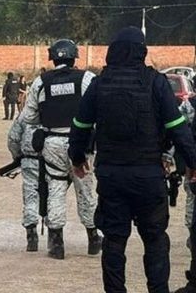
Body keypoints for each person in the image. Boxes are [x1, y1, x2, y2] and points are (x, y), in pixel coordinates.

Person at [68, 27, 196, 293]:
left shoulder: (99, 84)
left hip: (111, 177)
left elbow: (80, 126)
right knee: (155, 239)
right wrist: (193, 163)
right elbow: (178, 128)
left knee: (114, 241)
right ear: (142, 51)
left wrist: (77, 158)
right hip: (148, 177)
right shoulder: (156, 82)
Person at [21, 39, 101, 260]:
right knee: (85, 188)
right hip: (80, 142)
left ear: (53, 59)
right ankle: (93, 237)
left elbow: (28, 116)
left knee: (55, 188)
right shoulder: (87, 78)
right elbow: (98, 107)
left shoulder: (41, 81)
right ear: (74, 57)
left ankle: (56, 242)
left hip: (52, 142)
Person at [7, 116, 42, 251]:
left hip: (29, 160)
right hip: (51, 161)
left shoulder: (25, 116)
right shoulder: (56, 112)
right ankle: (55, 237)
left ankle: (31, 234)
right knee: (53, 195)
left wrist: (18, 157)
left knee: (30, 196)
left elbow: (13, 139)